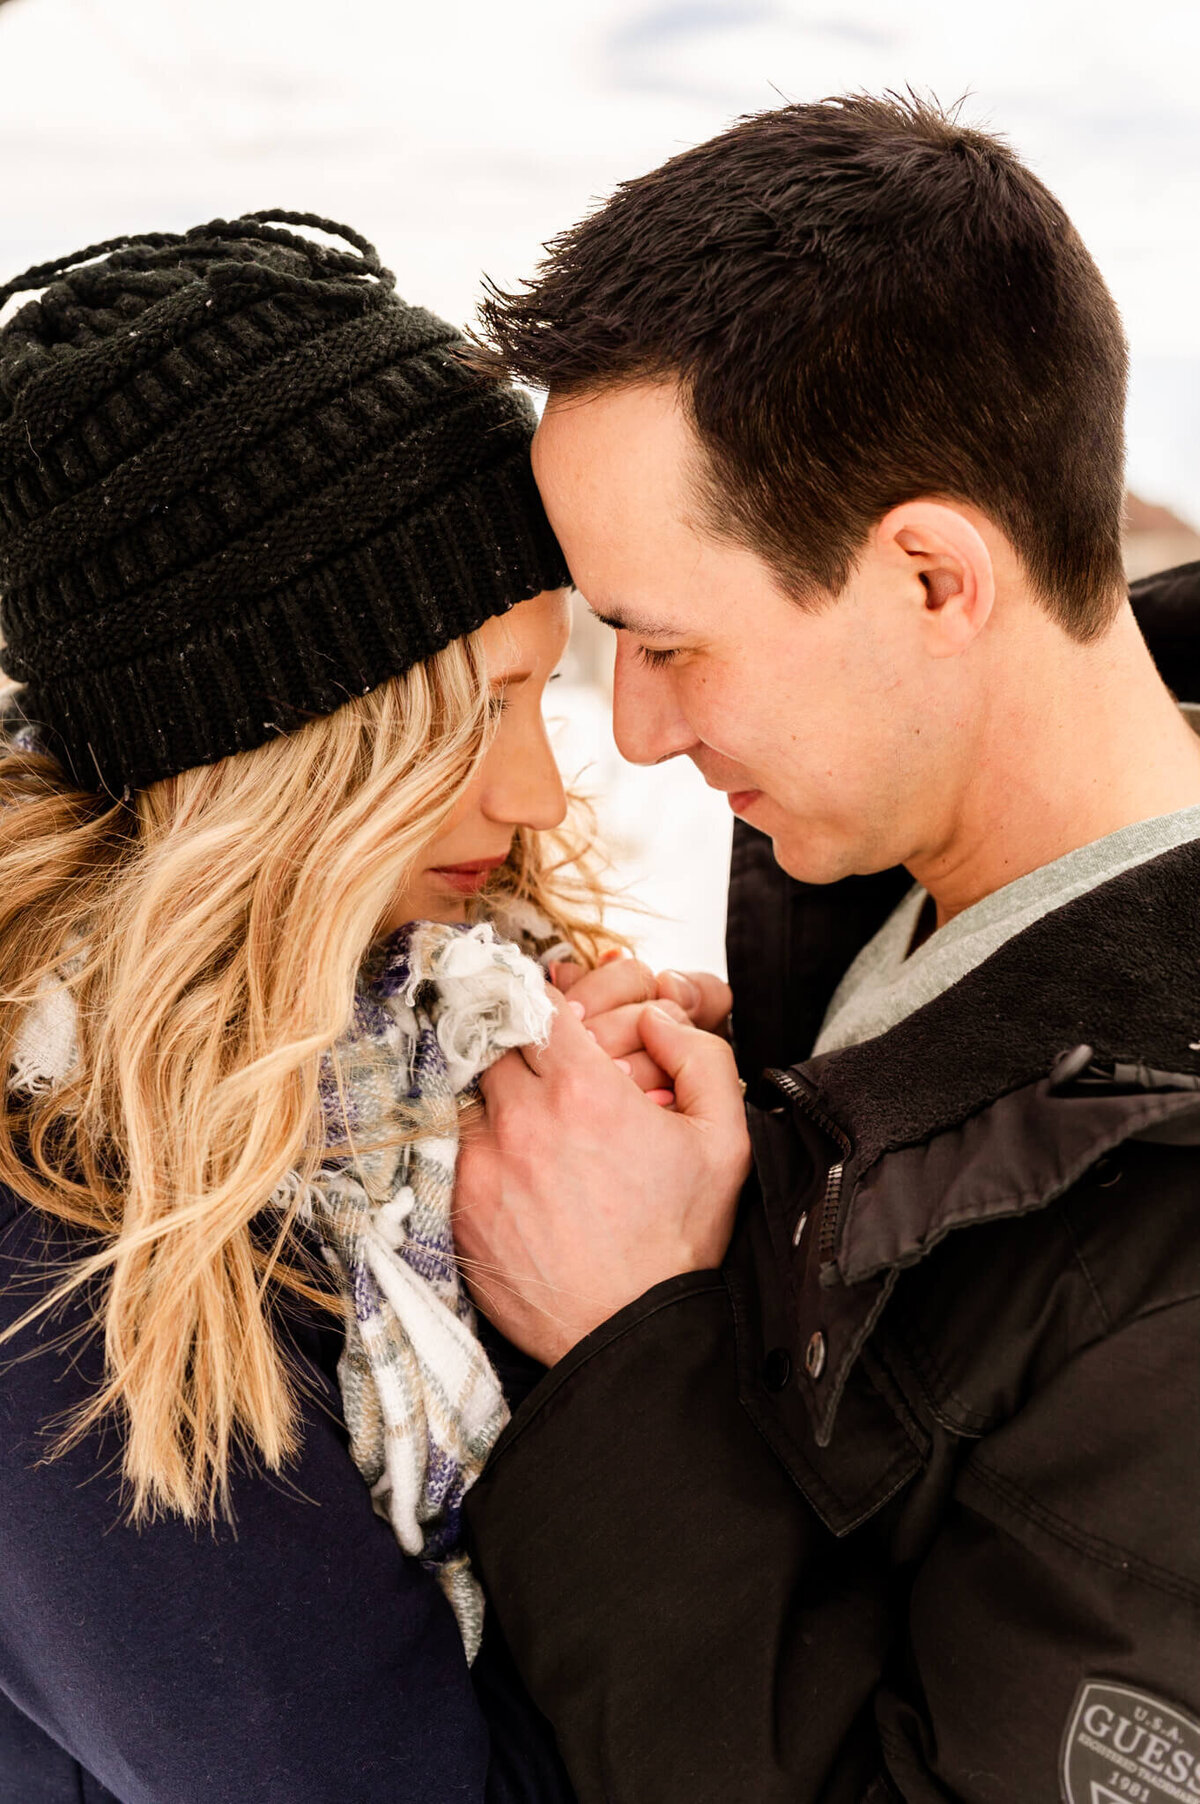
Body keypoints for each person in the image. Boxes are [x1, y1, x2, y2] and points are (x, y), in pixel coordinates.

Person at [451, 95, 1200, 1802]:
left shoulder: (1177, 1269)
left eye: (665, 642)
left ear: (934, 578)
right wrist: (782, 1153)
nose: (630, 736)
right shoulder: (887, 893)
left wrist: (628, 1338)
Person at [0, 210, 726, 1803]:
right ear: (274, 756)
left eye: (544, 692)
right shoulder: (76, 1265)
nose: (538, 790)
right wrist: (628, 1346)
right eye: (470, 717)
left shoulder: (437, 1035)